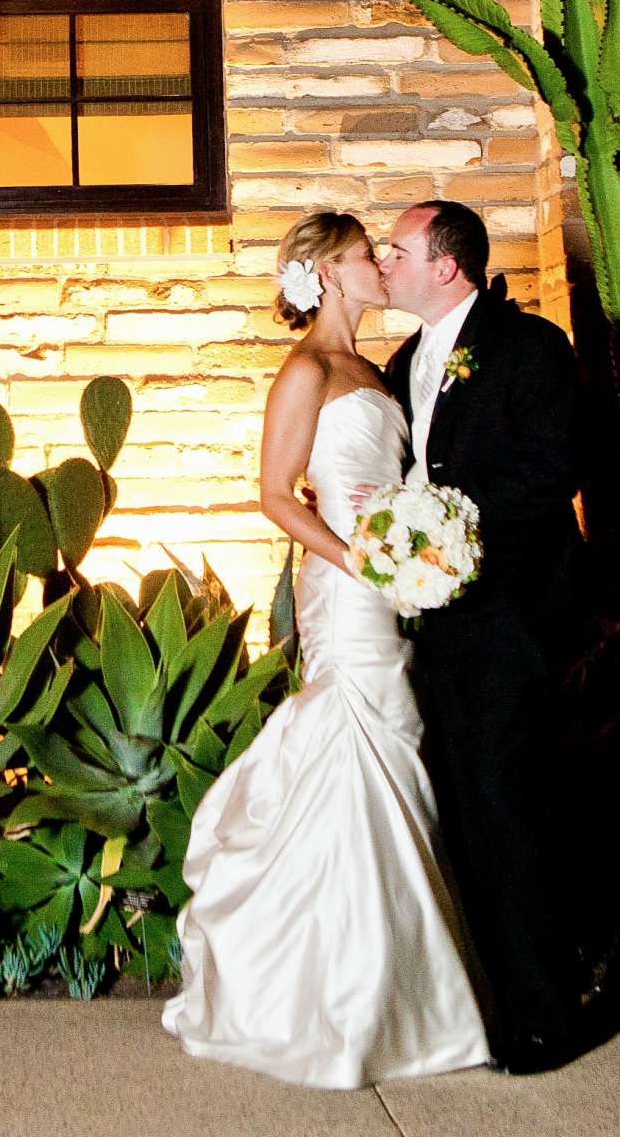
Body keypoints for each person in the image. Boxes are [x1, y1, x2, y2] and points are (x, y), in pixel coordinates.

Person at [161, 210, 491, 1090]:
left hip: (389, 580)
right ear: (329, 274)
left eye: (385, 255)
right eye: (364, 257)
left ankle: (387, 993)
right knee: (357, 738)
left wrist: (420, 556)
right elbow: (275, 494)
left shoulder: (374, 370)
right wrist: (362, 561)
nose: (383, 265)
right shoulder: (306, 369)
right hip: (346, 590)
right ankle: (348, 1000)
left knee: (392, 749)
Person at [380, 199, 586, 1074]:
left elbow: (551, 471)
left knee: (511, 809)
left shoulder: (531, 349)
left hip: (511, 617)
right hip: (430, 625)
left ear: (447, 266)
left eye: (398, 250)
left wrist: (447, 530)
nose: (385, 263)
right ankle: (480, 1004)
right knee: (456, 808)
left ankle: (548, 1015)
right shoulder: (398, 362)